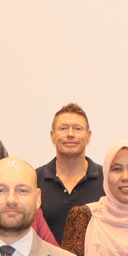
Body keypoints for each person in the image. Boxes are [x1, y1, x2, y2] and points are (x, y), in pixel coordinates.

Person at [37, 103, 104, 243]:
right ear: (52, 136)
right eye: (63, 128)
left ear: (88, 136)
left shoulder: (108, 180)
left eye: (77, 129)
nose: (70, 134)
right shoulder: (34, 180)